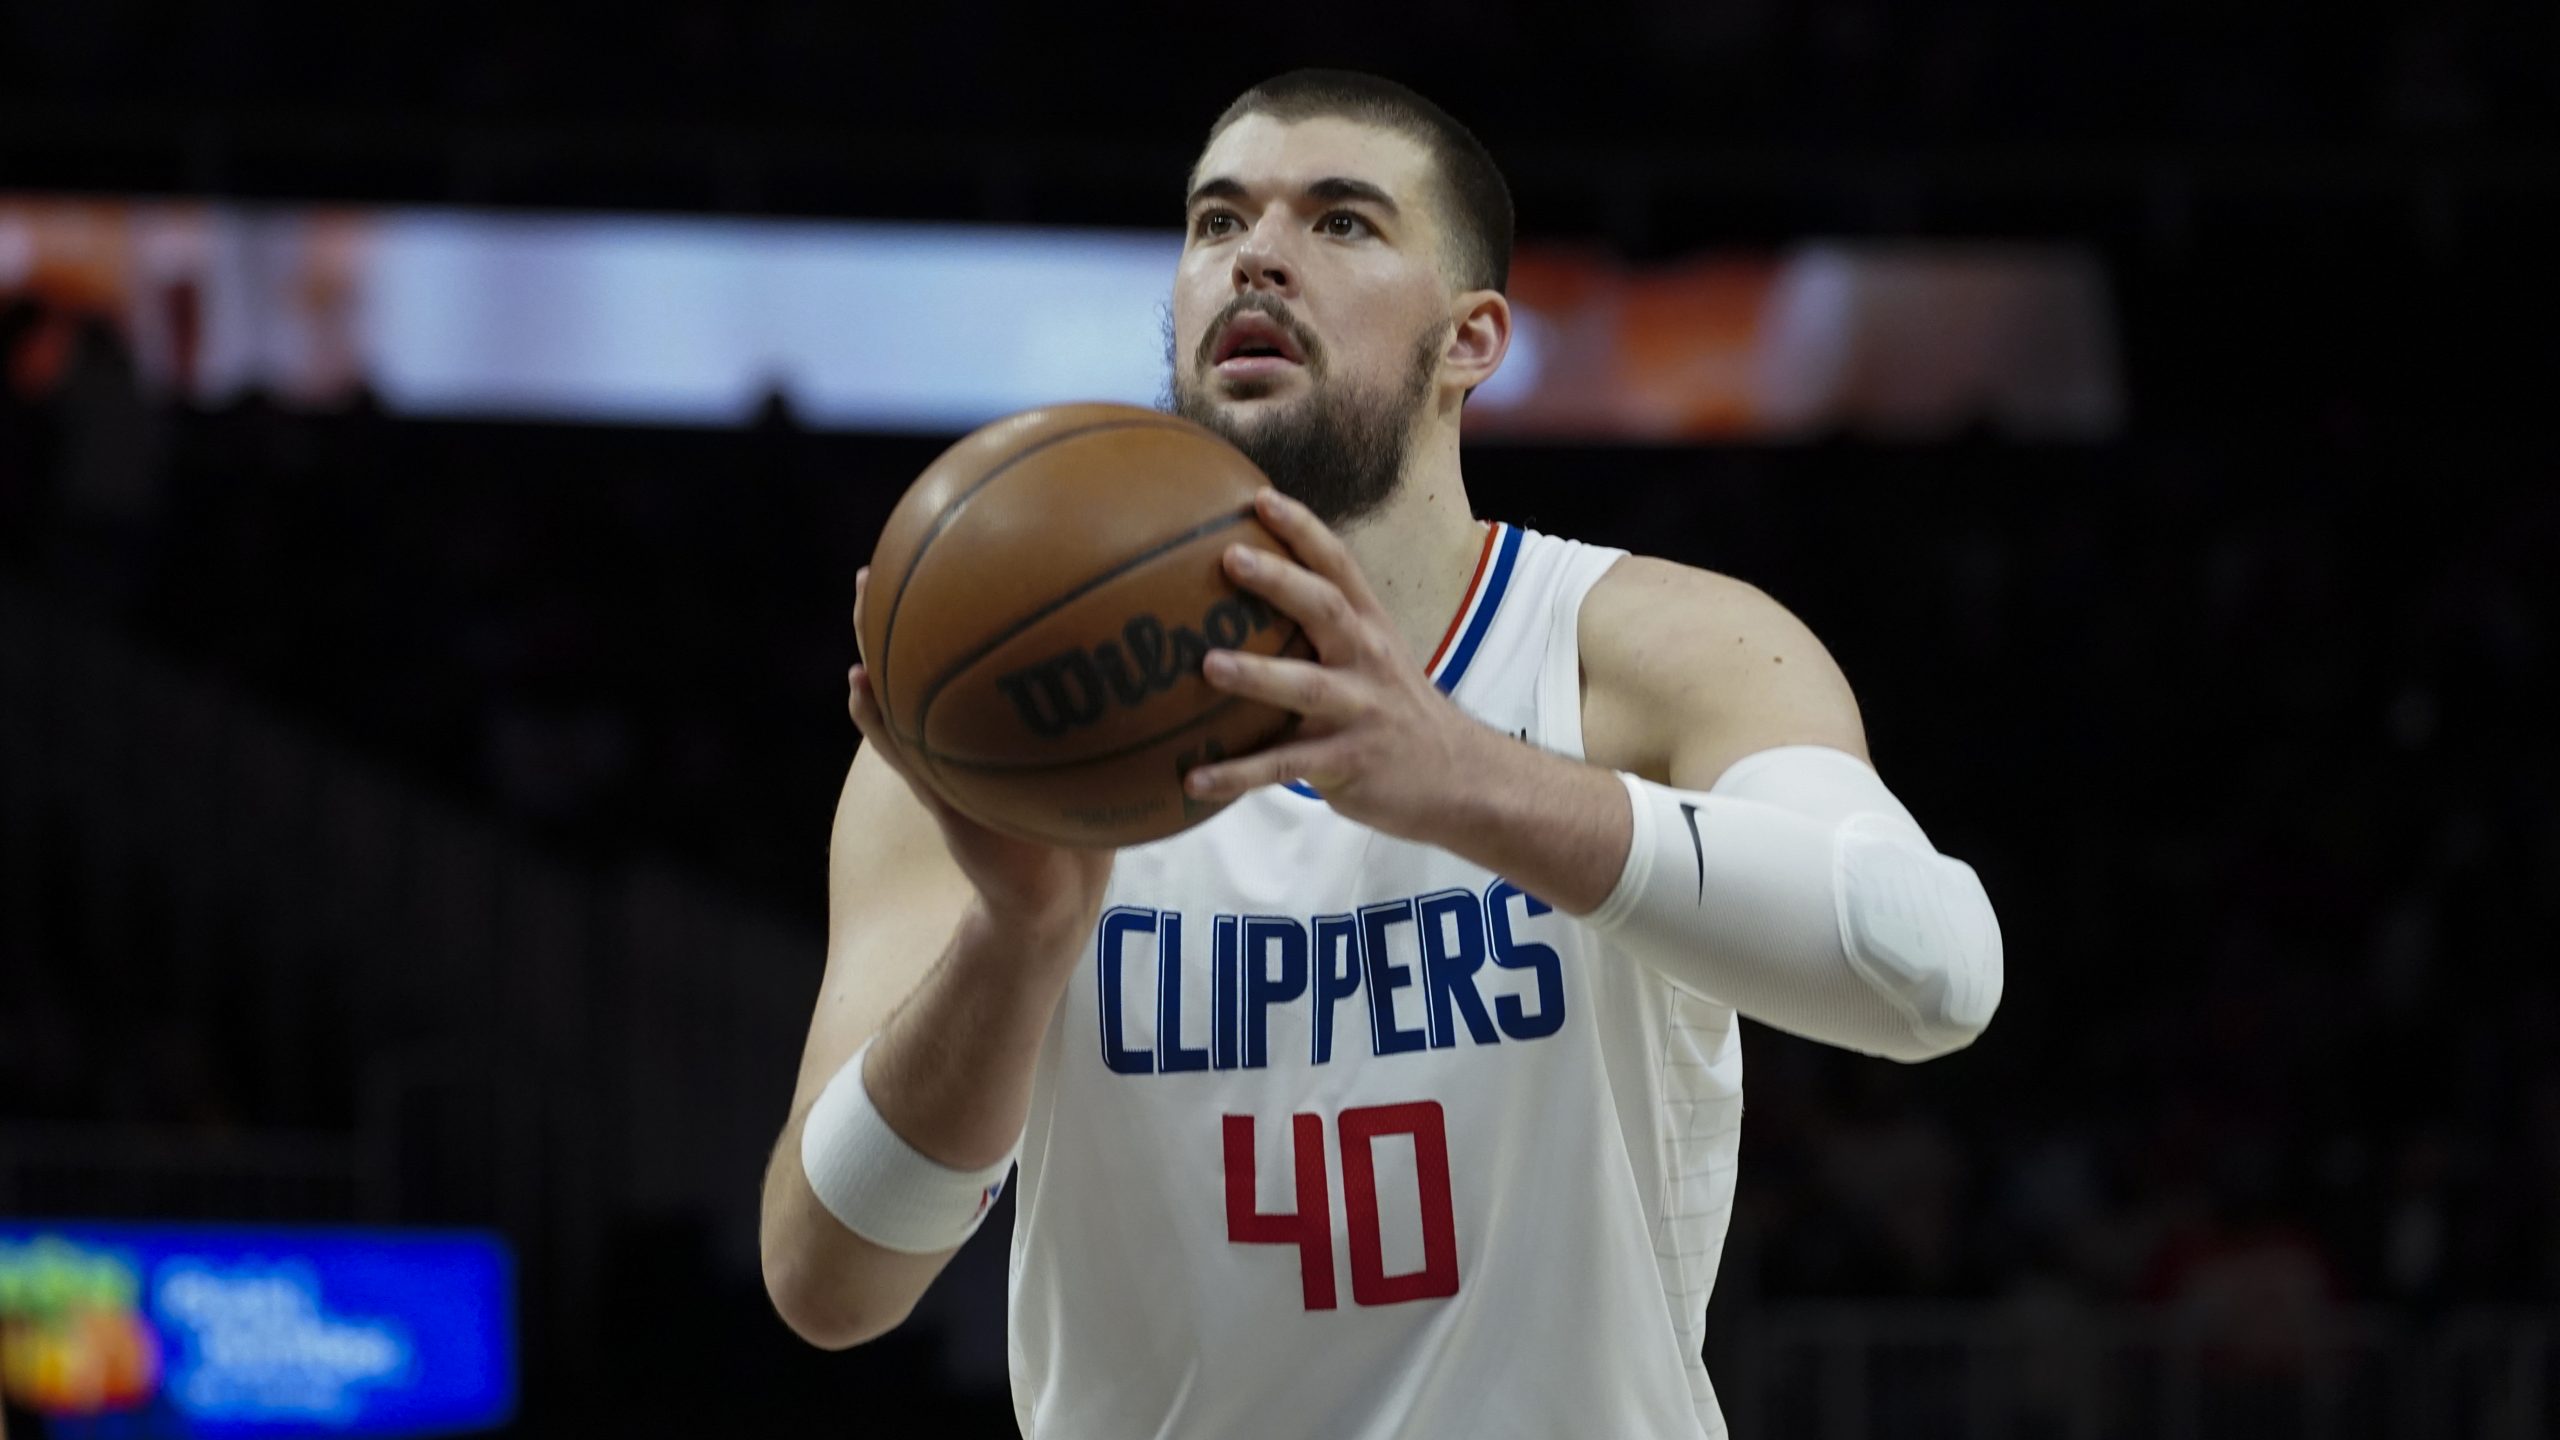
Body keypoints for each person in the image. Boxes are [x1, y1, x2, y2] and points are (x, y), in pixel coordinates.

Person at [760, 69, 2005, 1440]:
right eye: (1215, 220)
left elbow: (1934, 971)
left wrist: (1463, 775)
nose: (1258, 255)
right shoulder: (992, 729)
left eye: (1341, 223)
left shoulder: (1646, 650)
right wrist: (1016, 938)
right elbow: (829, 1284)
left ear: (1473, 339)